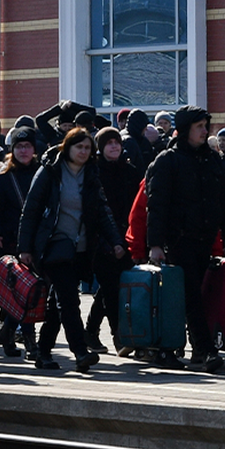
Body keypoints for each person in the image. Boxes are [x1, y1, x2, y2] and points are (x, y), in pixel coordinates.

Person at [18, 127, 124, 373]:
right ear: (68, 147)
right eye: (79, 147)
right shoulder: (50, 172)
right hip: (54, 246)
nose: (84, 152)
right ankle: (79, 350)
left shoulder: (91, 174)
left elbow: (102, 211)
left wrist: (116, 241)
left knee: (58, 303)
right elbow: (30, 211)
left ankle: (43, 353)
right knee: (69, 300)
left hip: (81, 248)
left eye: (88, 148)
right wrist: (25, 248)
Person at [144, 105, 225, 373]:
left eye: (206, 126)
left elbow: (223, 201)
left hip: (204, 238)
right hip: (178, 240)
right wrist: (155, 244)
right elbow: (157, 205)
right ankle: (205, 349)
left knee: (195, 294)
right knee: (191, 295)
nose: (205, 131)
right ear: (185, 130)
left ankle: (196, 349)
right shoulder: (167, 160)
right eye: (199, 127)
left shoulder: (210, 158)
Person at [0, 127, 41, 357]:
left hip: (38, 240)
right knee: (24, 292)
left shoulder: (42, 173)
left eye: (27, 146)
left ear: (34, 149)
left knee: (32, 291)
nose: (23, 151)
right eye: (19, 147)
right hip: (11, 243)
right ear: (12, 150)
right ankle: (29, 341)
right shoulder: (3, 177)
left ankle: (7, 331)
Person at [85, 126, 140, 352]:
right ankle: (119, 336)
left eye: (116, 142)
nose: (114, 146)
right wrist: (108, 242)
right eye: (109, 143)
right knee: (110, 288)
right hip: (102, 240)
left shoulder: (130, 170)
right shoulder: (94, 172)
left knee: (115, 287)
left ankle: (90, 331)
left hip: (127, 237)